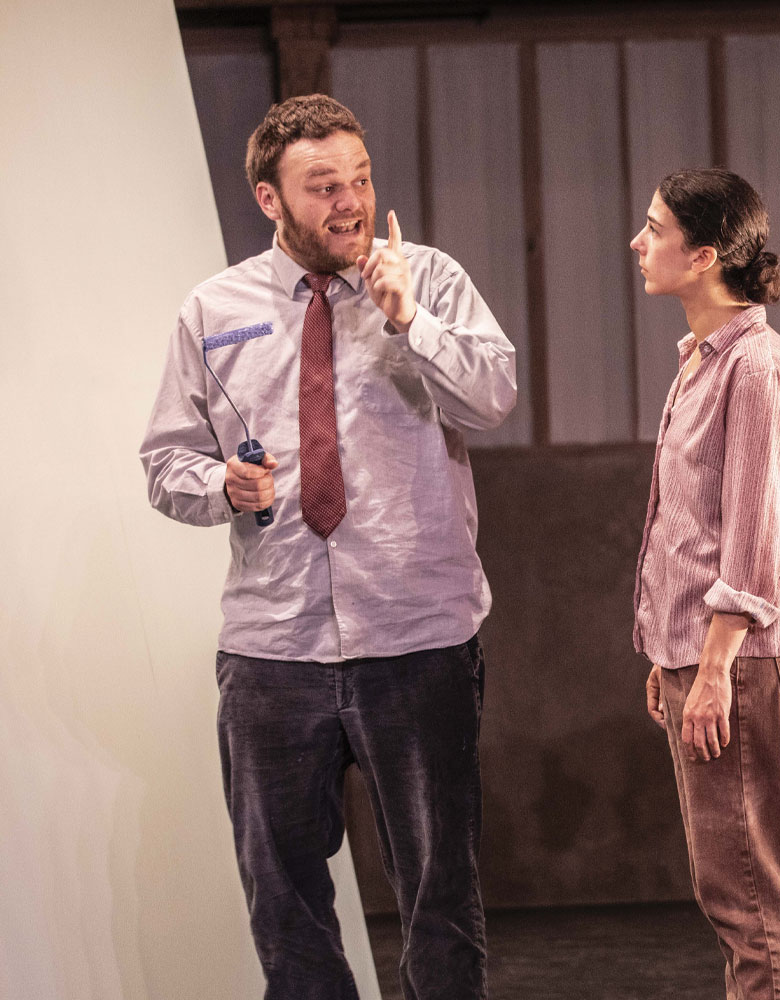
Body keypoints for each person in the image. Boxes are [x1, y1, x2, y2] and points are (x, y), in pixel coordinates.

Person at [140, 94, 516, 998]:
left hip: (417, 638)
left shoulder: (428, 277)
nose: (350, 202)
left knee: (439, 902)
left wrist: (410, 319)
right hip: (273, 652)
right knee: (284, 907)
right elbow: (165, 461)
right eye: (322, 186)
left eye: (360, 179)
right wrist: (221, 486)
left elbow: (493, 399)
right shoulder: (213, 309)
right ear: (269, 199)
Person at [630, 168, 780, 1000]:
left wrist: (711, 666)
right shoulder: (704, 361)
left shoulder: (755, 367)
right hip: (710, 655)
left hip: (741, 658)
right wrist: (671, 653)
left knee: (750, 896)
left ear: (705, 255)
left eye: (655, 229)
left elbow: (754, 536)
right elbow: (690, 527)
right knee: (733, 890)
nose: (638, 243)